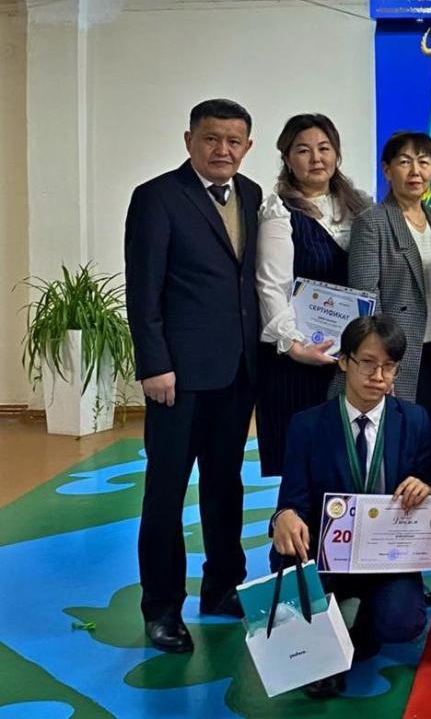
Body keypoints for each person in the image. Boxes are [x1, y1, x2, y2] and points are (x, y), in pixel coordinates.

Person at [124, 98, 262, 653]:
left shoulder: (252, 195)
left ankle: (223, 585)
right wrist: (154, 364)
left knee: (226, 485)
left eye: (233, 141)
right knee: (166, 492)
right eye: (211, 138)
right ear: (189, 141)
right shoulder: (157, 197)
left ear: (247, 146)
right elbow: (144, 290)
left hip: (236, 371)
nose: (222, 149)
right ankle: (161, 608)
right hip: (176, 377)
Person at [270, 314, 431, 698]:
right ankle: (332, 638)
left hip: (386, 556)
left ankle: (352, 622)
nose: (378, 376)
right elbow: (291, 500)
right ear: (344, 361)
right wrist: (284, 516)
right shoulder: (307, 425)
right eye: (367, 363)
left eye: (389, 367)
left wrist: (424, 486)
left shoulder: (414, 420)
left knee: (403, 623)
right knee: (289, 564)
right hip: (324, 553)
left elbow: (428, 480)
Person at [255, 113, 372, 477]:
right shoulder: (279, 211)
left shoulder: (361, 207)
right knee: (302, 464)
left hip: (353, 355)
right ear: (287, 158)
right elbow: (271, 286)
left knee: (353, 459)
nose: (316, 158)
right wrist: (294, 346)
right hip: (299, 360)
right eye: (303, 150)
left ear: (337, 153)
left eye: (324, 148)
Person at [348, 131, 431, 441]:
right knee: (398, 441)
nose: (415, 171)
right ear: (387, 170)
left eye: (424, 162)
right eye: (404, 162)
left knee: (430, 439)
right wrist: (380, 361)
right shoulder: (372, 222)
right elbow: (366, 297)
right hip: (396, 351)